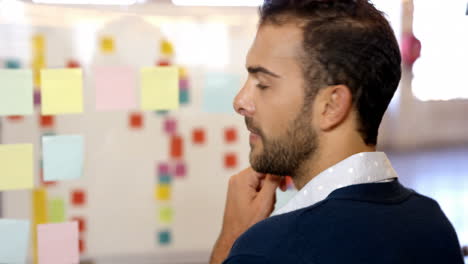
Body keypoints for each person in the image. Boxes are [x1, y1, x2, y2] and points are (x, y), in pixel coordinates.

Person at [209, 0, 465, 263]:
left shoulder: (266, 250)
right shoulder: (433, 223)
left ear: (331, 106)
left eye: (262, 83)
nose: (240, 101)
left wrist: (231, 239)